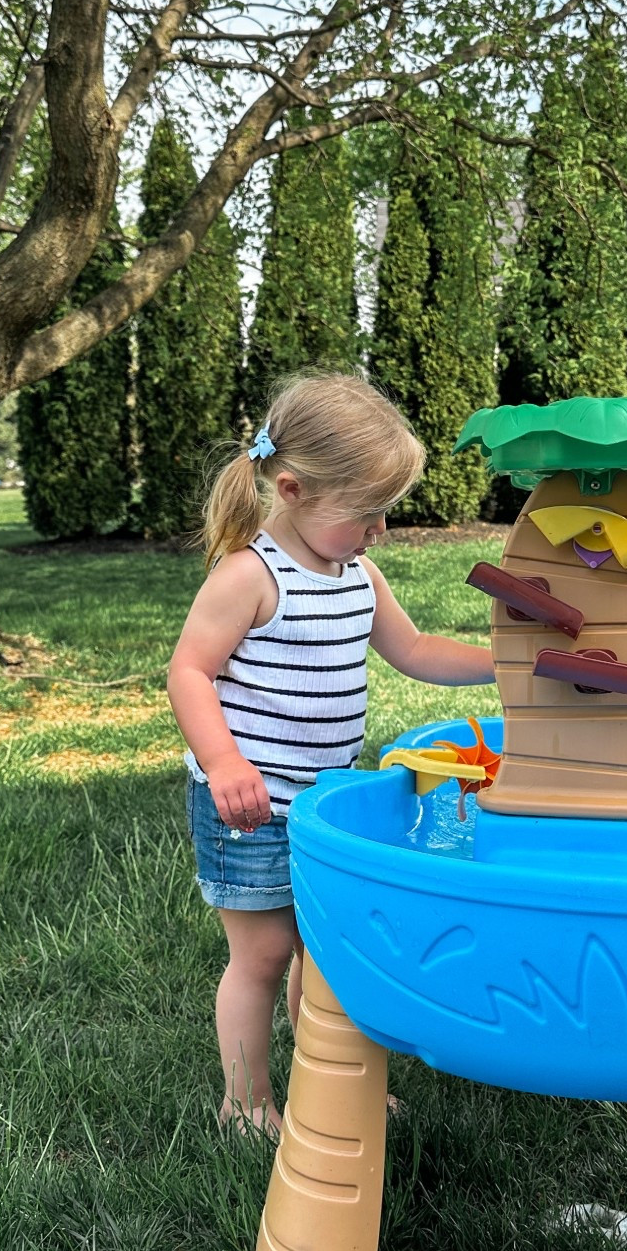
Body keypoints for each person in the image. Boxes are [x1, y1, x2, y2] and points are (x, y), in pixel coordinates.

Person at [167, 371, 496, 1135]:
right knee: (263, 956)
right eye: (366, 513)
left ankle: (328, 1078)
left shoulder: (358, 575)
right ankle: (245, 1104)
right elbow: (189, 671)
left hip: (324, 808)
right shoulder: (249, 574)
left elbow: (412, 649)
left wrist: (503, 664)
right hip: (247, 806)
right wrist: (223, 763)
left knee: (326, 948)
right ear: (289, 489)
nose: (379, 530)